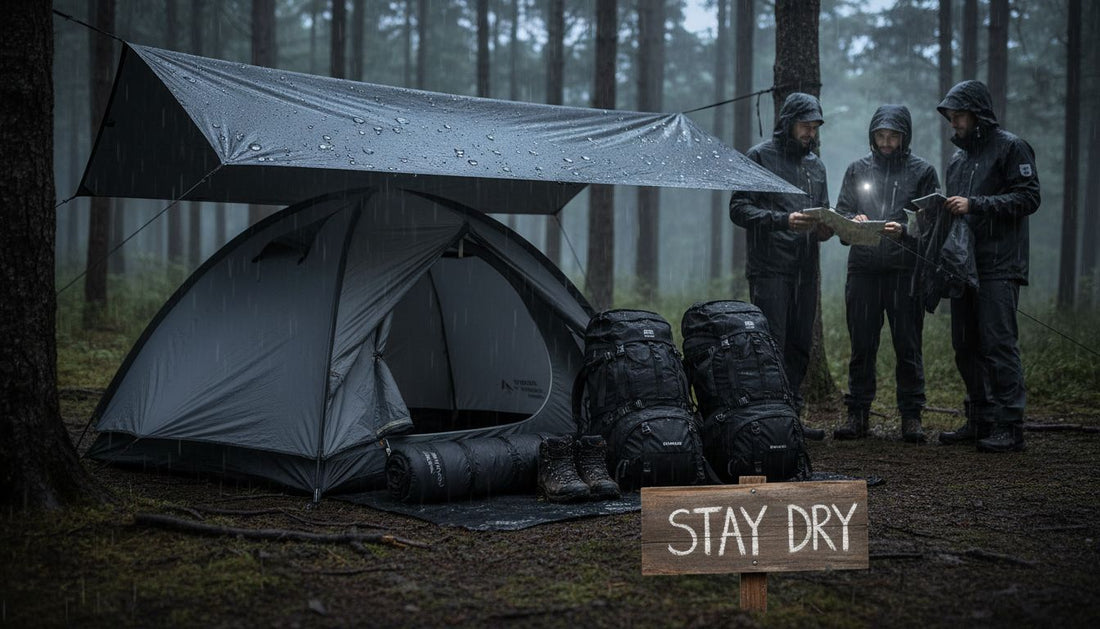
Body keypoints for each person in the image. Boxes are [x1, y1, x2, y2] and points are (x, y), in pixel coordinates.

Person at [935, 80, 1040, 453]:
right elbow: (956, 210)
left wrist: (976, 204)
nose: (955, 124)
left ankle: (1011, 426)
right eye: (951, 118)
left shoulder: (1011, 147)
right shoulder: (958, 159)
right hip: (964, 265)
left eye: (959, 116)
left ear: (978, 114)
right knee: (965, 345)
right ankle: (979, 418)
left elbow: (1029, 197)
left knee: (998, 344)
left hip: (999, 264)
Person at [833, 105, 940, 443]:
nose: (886, 142)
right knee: (862, 345)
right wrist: (853, 222)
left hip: (904, 273)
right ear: (872, 135)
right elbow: (841, 214)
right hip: (863, 270)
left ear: (904, 136)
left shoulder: (923, 171)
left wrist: (905, 229)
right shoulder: (856, 169)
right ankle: (858, 414)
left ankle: (911, 416)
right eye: (881, 135)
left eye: (893, 135)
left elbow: (933, 222)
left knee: (908, 346)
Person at [730, 92, 834, 439]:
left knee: (800, 343)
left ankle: (792, 417)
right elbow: (739, 209)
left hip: (806, 269)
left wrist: (825, 228)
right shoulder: (760, 156)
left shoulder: (815, 166)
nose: (810, 133)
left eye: (815, 127)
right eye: (805, 126)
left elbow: (825, 211)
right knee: (771, 343)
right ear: (788, 122)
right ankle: (771, 417)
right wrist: (782, 221)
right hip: (770, 267)